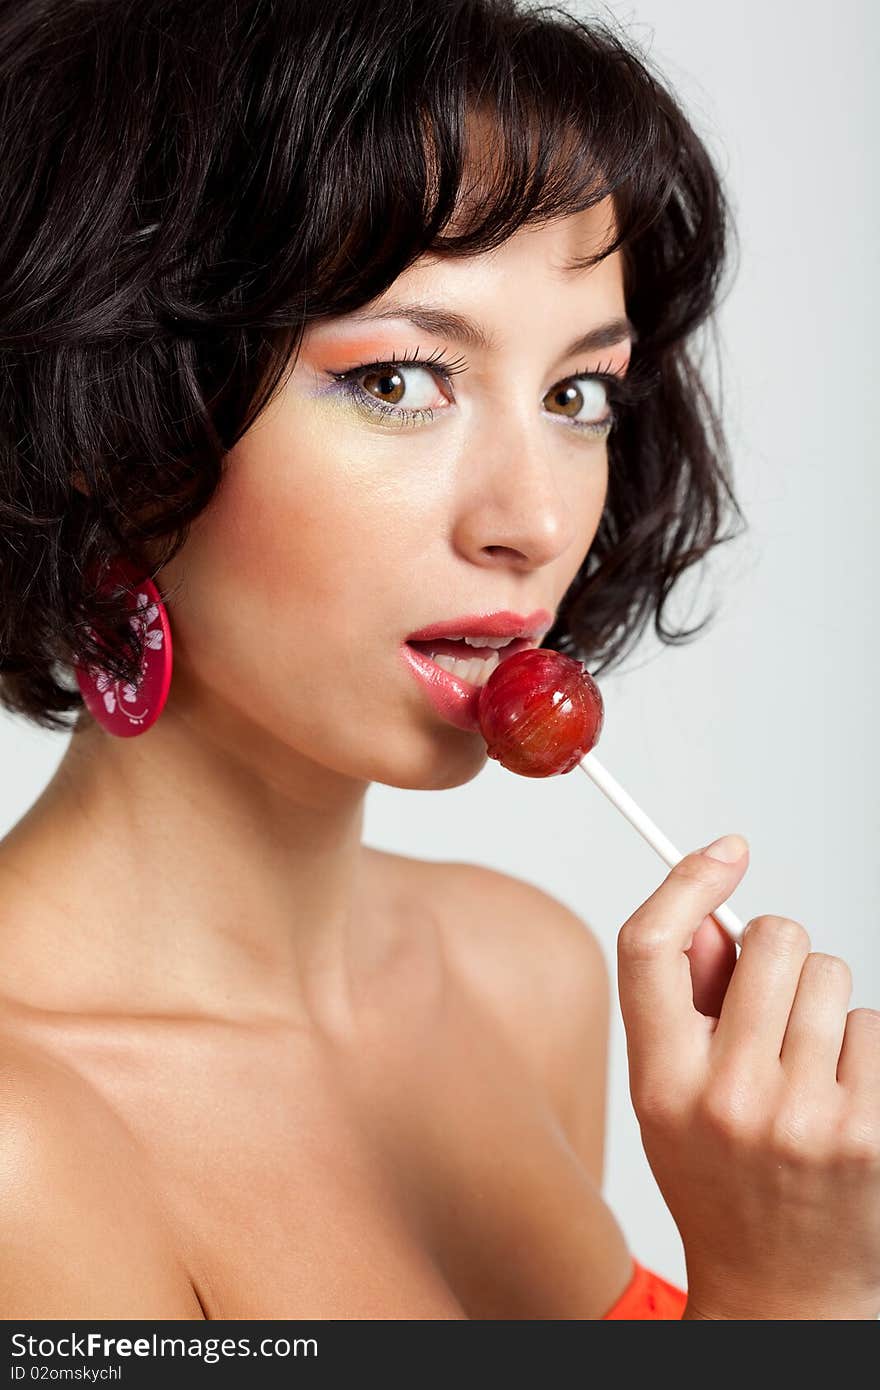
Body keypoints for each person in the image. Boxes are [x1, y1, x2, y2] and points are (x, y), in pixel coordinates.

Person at [0, 0, 876, 1321]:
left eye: (578, 393)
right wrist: (784, 1296)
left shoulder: (527, 975)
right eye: (401, 380)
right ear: (117, 420)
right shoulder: (20, 1149)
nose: (530, 521)